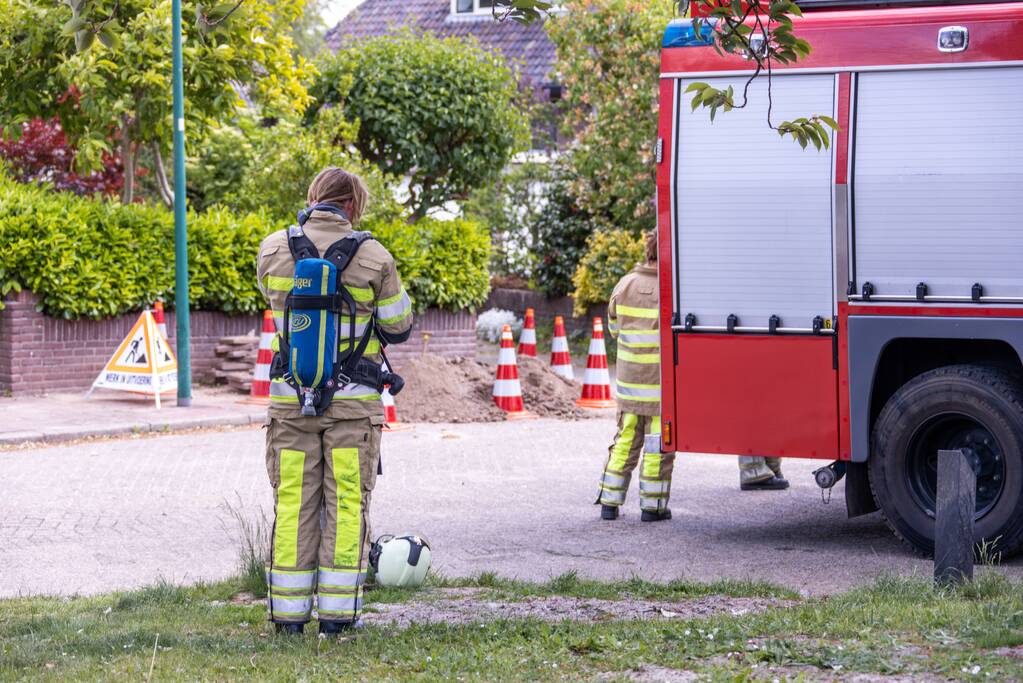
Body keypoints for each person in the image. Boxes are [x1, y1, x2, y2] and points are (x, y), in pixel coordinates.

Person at [256, 167, 413, 636]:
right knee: (346, 505)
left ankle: (287, 618)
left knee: (293, 506)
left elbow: (276, 307)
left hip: (289, 403)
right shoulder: (374, 256)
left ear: (315, 197)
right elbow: (399, 327)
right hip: (352, 407)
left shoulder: (273, 249)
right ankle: (337, 619)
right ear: (352, 205)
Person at [596, 231, 674, 522]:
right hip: (659, 387)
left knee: (625, 439)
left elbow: (614, 330)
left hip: (629, 385)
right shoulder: (670, 289)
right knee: (657, 445)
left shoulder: (624, 284)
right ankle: (653, 507)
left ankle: (609, 502)